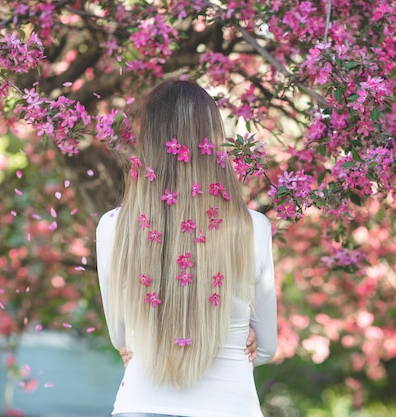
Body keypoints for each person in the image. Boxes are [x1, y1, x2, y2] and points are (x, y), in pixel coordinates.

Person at [96, 79, 278, 417]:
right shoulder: (252, 227)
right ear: (214, 140)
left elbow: (121, 336)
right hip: (229, 406)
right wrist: (239, 332)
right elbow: (266, 347)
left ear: (147, 142)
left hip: (141, 405)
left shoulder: (114, 226)